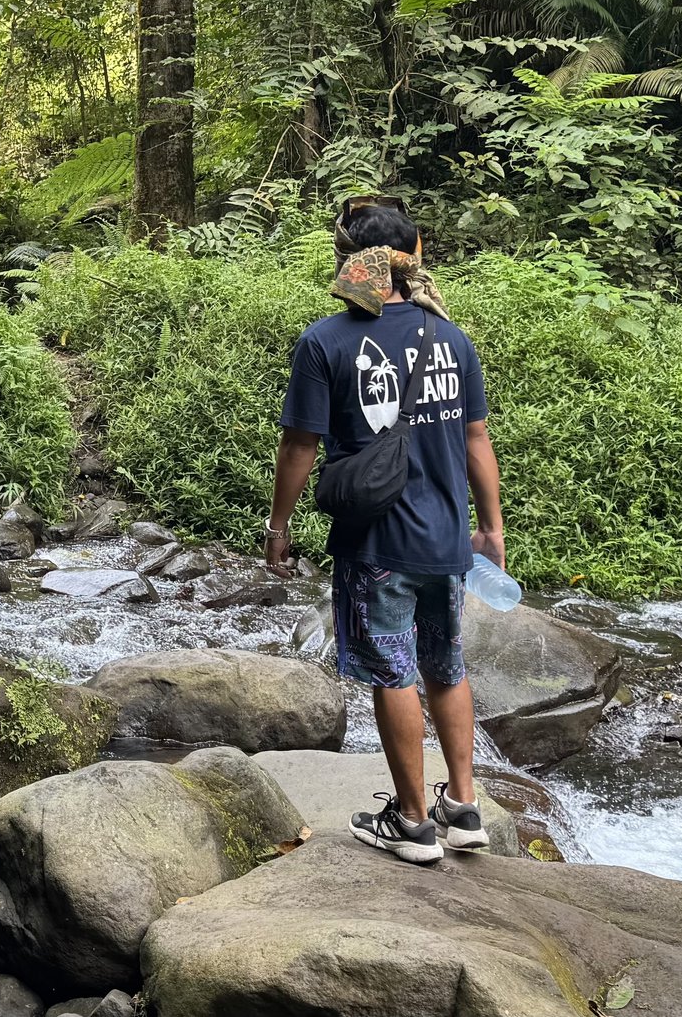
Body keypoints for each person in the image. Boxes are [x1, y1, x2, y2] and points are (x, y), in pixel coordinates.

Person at [263, 196, 505, 865]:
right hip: (446, 539)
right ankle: (463, 805)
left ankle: (413, 822)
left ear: (347, 261)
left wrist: (278, 526)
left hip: (378, 544)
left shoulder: (327, 341)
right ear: (413, 256)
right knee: (445, 664)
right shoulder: (451, 338)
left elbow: (299, 448)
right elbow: (476, 438)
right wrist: (491, 527)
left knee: (392, 673)